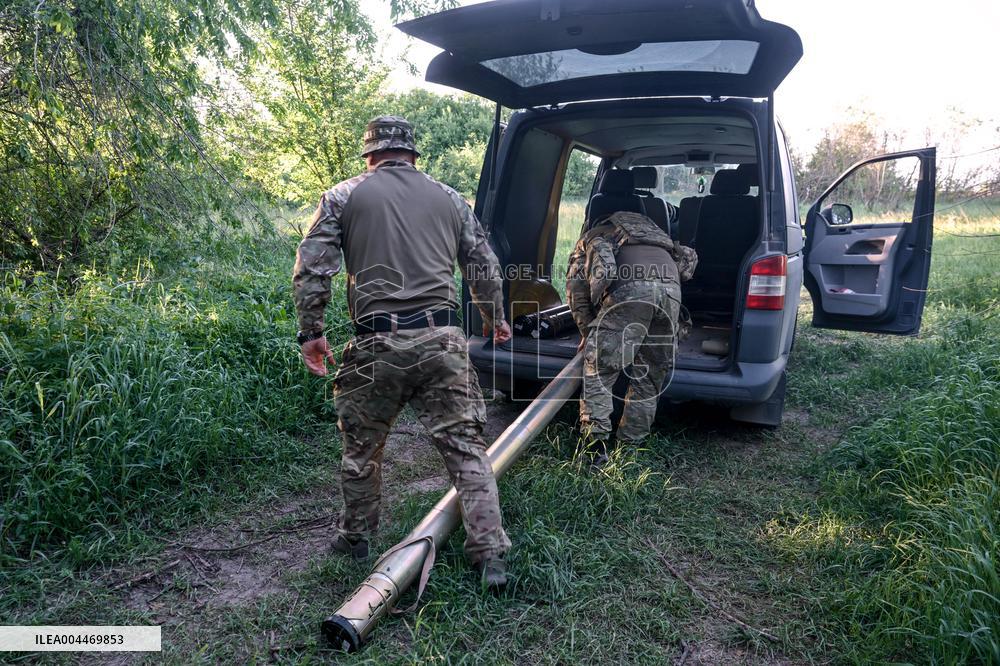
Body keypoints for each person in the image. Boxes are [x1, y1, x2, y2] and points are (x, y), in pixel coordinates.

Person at [292, 116, 512, 589]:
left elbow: (313, 268)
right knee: (467, 450)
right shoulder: (451, 198)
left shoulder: (342, 195)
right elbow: (483, 264)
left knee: (361, 448)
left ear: (369, 155)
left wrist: (311, 331)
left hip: (376, 345)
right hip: (443, 343)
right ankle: (491, 555)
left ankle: (356, 538)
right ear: (413, 154)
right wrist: (495, 318)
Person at [566, 210, 698, 467]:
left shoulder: (593, 236)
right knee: (648, 377)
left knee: (600, 371)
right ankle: (632, 447)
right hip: (671, 295)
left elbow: (577, 292)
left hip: (629, 293)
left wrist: (587, 333)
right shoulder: (658, 236)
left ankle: (595, 450)